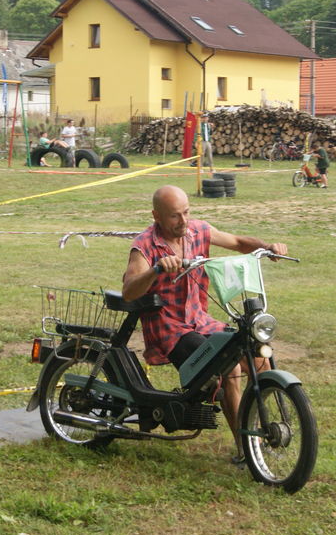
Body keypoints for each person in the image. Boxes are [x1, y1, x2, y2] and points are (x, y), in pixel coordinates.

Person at [122, 185, 288, 462]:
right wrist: (156, 269)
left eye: (186, 212)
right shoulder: (145, 245)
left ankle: (252, 423)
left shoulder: (198, 230)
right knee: (229, 368)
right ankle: (246, 450)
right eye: (174, 216)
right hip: (170, 329)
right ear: (156, 216)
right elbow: (129, 292)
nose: (183, 221)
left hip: (200, 321)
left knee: (260, 360)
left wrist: (267, 247)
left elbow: (237, 242)